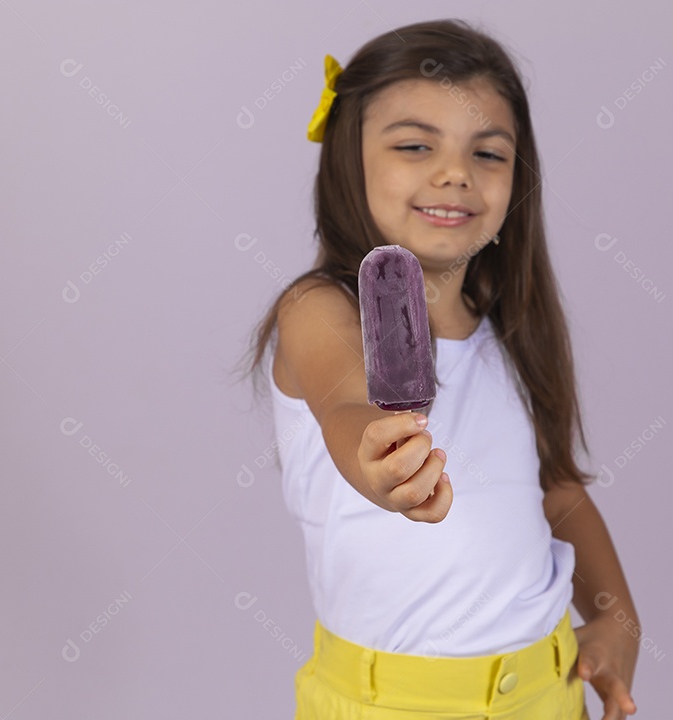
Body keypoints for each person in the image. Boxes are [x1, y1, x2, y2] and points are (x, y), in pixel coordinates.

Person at [239, 18, 640, 720]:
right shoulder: (319, 311)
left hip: (548, 693)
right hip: (392, 705)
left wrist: (618, 617)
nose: (455, 172)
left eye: (489, 153)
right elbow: (344, 404)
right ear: (346, 158)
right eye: (415, 145)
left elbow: (557, 490)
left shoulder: (509, 334)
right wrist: (380, 459)